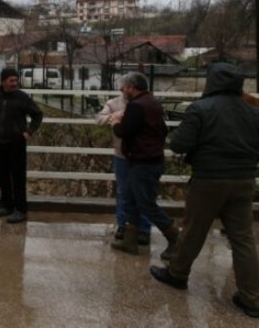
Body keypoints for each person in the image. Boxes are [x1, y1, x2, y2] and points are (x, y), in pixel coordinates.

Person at [150, 63, 259, 319]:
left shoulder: (200, 109)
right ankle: (251, 298)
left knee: (194, 230)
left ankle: (177, 274)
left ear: (212, 82)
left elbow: (179, 143)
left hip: (209, 179)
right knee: (244, 239)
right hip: (244, 180)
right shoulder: (254, 111)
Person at [109, 72, 179, 259]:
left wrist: (115, 122)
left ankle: (176, 239)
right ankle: (129, 242)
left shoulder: (137, 106)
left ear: (132, 87)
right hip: (146, 160)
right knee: (131, 199)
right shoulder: (152, 102)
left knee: (146, 204)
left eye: (124, 87)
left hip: (144, 163)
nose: (121, 90)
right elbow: (163, 129)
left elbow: (124, 132)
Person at [96, 80, 151, 245]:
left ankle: (144, 229)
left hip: (143, 155)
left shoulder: (147, 103)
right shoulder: (114, 103)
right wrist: (118, 115)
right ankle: (122, 226)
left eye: (126, 87)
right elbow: (99, 119)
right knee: (123, 191)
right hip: (121, 154)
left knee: (143, 192)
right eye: (122, 87)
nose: (123, 90)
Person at [0, 68, 43, 224]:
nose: (14, 83)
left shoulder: (22, 97)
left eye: (16, 80)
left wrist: (29, 132)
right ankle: (7, 205)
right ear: (3, 81)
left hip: (16, 143)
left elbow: (37, 114)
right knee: (1, 175)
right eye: (11, 80)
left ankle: (20, 210)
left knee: (18, 178)